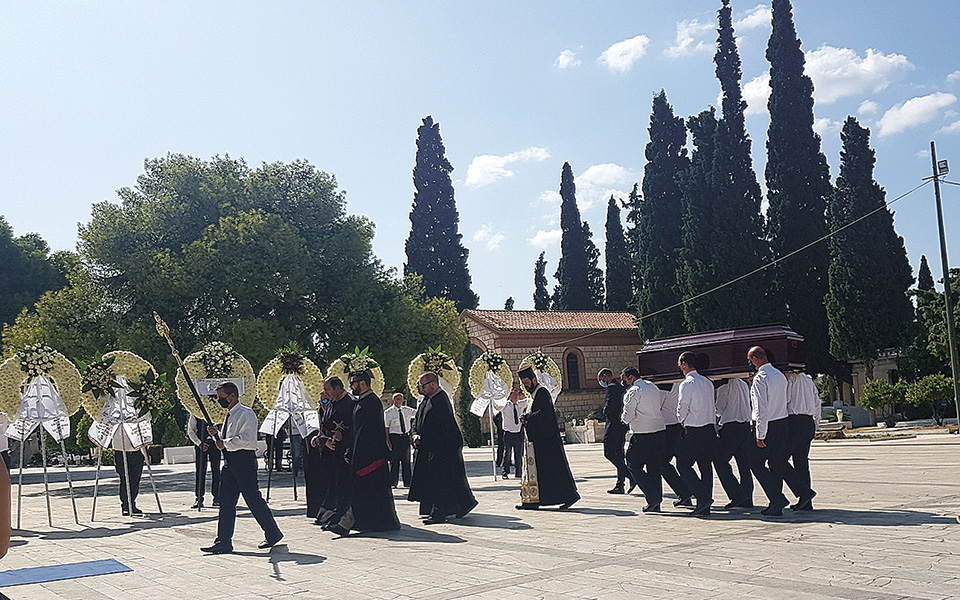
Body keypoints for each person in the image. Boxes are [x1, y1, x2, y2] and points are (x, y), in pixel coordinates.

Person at [201, 382, 283, 554]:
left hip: (243, 460)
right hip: (230, 462)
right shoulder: (229, 415)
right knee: (226, 502)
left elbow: (246, 439)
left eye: (221, 398)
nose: (219, 401)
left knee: (253, 499)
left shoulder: (246, 413)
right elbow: (230, 436)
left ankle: (273, 532)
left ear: (232, 396)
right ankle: (223, 541)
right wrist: (217, 433)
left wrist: (225, 443)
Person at [327, 371, 401, 537]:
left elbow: (367, 433)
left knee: (360, 491)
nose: (351, 387)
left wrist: (355, 453)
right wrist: (350, 450)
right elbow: (355, 431)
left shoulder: (371, 403)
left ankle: (345, 524)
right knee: (368, 493)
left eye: (353, 383)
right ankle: (358, 522)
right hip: (364, 455)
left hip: (370, 457)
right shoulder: (363, 402)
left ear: (363, 383)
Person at [408, 372, 477, 524]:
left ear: (433, 384)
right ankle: (459, 505)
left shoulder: (441, 401)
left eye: (422, 386)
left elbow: (443, 430)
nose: (420, 389)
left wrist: (428, 443)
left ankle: (440, 512)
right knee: (446, 480)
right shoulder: (426, 400)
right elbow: (416, 421)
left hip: (442, 449)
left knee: (441, 481)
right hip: (428, 447)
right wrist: (414, 434)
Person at [516, 366, 579, 510]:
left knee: (554, 471)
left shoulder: (542, 393)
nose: (526, 385)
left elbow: (545, 415)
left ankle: (569, 496)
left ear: (533, 379)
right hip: (538, 442)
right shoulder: (533, 396)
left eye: (527, 382)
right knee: (543, 474)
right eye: (523, 383)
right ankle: (533, 500)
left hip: (546, 442)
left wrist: (527, 418)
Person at [747, 346, 791, 516]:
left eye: (750, 361)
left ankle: (777, 498)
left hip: (769, 425)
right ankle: (776, 503)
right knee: (776, 464)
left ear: (756, 359)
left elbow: (761, 410)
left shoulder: (761, 378)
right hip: (782, 422)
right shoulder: (779, 375)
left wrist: (760, 434)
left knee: (755, 463)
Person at [675, 352, 717, 516]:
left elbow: (683, 406)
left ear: (685, 364)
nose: (679, 367)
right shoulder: (707, 382)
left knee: (683, 465)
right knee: (705, 466)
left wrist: (682, 420)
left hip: (694, 429)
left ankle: (703, 496)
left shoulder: (687, 383)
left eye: (680, 363)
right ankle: (704, 502)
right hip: (709, 428)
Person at [308, 377, 353, 525]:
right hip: (329, 452)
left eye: (327, 389)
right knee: (327, 484)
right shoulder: (331, 404)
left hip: (343, 452)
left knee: (340, 485)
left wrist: (343, 436)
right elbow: (324, 425)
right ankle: (326, 514)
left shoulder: (350, 404)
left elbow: (355, 428)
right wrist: (322, 439)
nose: (325, 393)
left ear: (338, 388)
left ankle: (338, 516)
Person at [620, 367, 665, 513]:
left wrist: (624, 420)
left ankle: (652, 496)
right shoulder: (652, 386)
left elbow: (629, 411)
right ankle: (655, 501)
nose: (624, 383)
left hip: (642, 433)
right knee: (654, 467)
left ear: (631, 378)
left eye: (625, 379)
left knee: (632, 463)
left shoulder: (633, 391)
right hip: (658, 430)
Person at [713, 378, 754, 509]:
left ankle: (736, 495)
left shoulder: (724, 384)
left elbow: (719, 407)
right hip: (745, 425)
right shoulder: (743, 383)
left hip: (731, 426)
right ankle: (747, 497)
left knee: (720, 460)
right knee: (744, 465)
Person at [784, 371, 820, 511]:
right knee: (802, 462)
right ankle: (806, 502)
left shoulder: (789, 378)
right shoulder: (807, 379)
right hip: (808, 421)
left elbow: (784, 400)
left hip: (794, 421)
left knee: (779, 460)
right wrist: (815, 425)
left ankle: (803, 492)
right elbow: (817, 403)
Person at [599, 368, 633, 494]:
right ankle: (620, 484)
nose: (601, 382)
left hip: (613, 425)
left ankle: (630, 476)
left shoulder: (611, 388)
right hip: (622, 426)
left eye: (601, 379)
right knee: (619, 454)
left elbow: (610, 408)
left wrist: (605, 411)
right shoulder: (621, 388)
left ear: (605, 376)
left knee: (609, 452)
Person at [658, 382, 693, 506]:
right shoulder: (680, 383)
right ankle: (686, 492)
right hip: (679, 426)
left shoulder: (663, 386)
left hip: (668, 428)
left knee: (662, 463)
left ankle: (684, 492)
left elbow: (656, 407)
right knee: (682, 463)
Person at [187, 414, 221, 509]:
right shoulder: (195, 413)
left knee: (216, 470)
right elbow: (191, 431)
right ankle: (199, 498)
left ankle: (217, 497)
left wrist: (218, 440)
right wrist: (199, 443)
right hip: (201, 444)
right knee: (200, 471)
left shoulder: (216, 411)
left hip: (215, 444)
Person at [384, 392, 416, 488]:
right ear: (393, 400)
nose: (399, 401)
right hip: (395, 437)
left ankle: (408, 482)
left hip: (405, 437)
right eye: (397, 399)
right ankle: (393, 482)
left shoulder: (406, 410)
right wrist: (387, 440)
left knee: (406, 460)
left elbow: (418, 413)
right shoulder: (388, 412)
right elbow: (386, 427)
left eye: (401, 399)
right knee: (395, 460)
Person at [113, 426, 144, 516]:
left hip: (136, 448)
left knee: (135, 478)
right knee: (124, 478)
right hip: (120, 448)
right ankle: (126, 505)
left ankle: (131, 503)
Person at [498, 386, 526, 479]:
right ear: (510, 396)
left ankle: (518, 472)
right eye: (515, 395)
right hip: (508, 433)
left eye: (518, 395)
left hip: (518, 433)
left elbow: (529, 400)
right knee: (507, 454)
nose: (517, 396)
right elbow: (497, 405)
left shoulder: (520, 405)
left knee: (518, 454)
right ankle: (505, 472)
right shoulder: (505, 406)